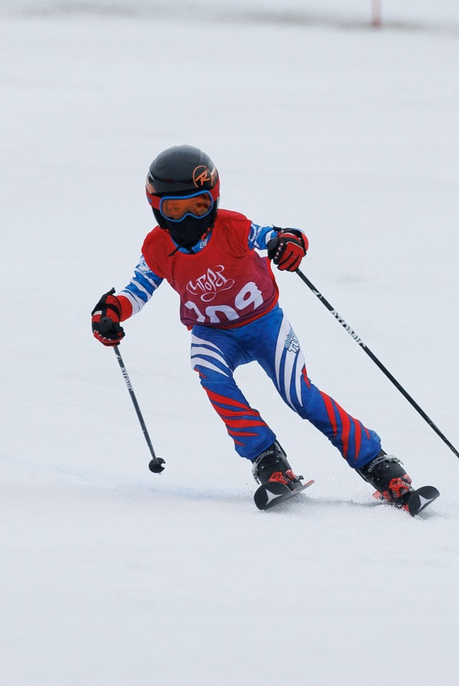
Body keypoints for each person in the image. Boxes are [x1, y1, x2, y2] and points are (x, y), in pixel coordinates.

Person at [90, 144, 435, 514]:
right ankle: (268, 459)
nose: (188, 218)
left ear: (215, 199)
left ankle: (377, 463)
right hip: (212, 333)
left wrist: (288, 243)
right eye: (175, 209)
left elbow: (274, 235)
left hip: (264, 324)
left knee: (297, 394)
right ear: (156, 208)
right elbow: (137, 289)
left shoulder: (232, 227)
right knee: (213, 378)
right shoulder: (157, 247)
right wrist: (112, 311)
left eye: (199, 206)